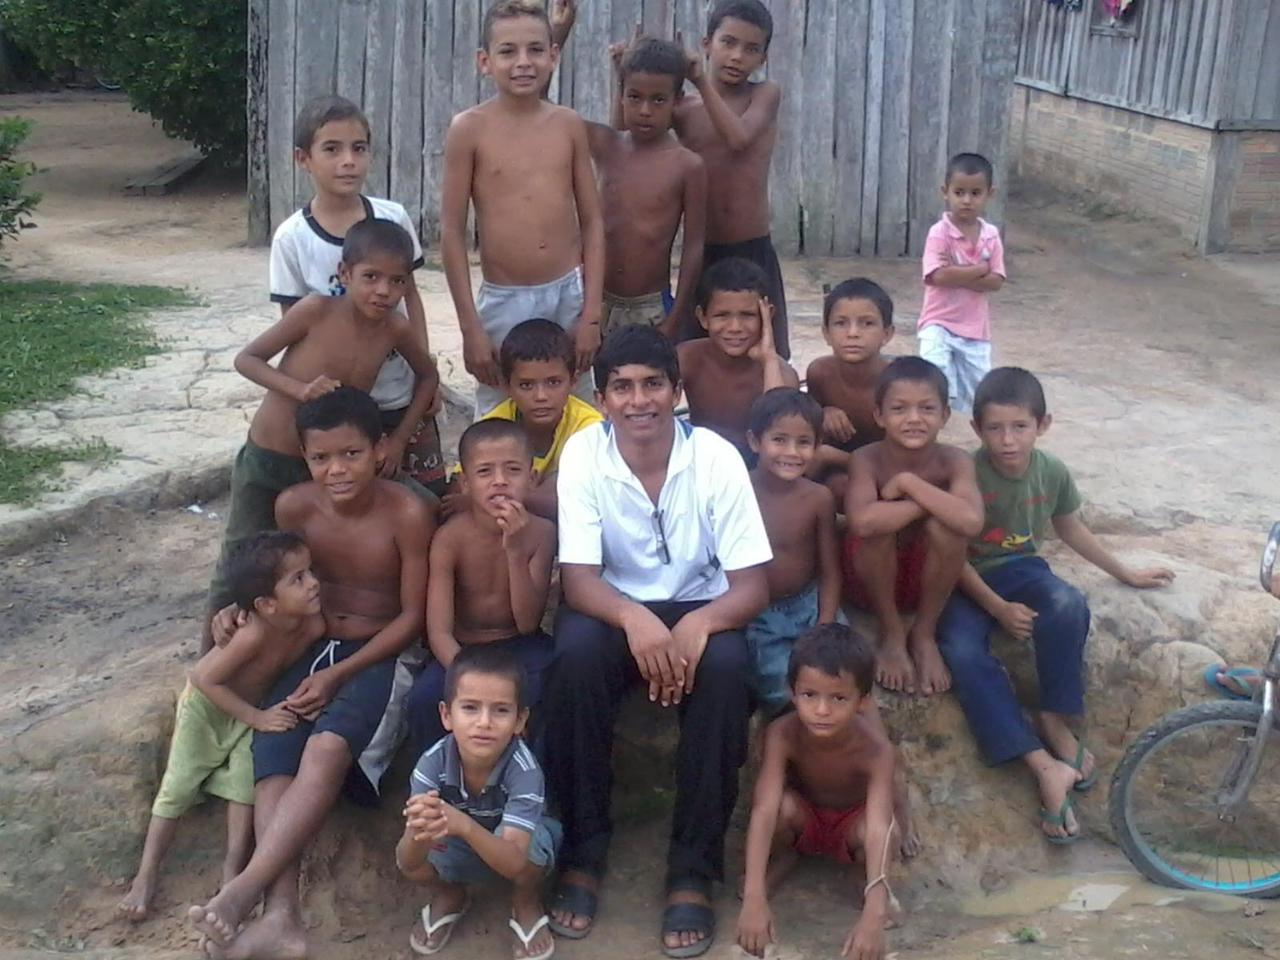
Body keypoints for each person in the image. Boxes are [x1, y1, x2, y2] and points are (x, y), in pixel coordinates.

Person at [543, 325, 771, 958]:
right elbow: (579, 581)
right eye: (622, 387)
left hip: (702, 603)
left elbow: (752, 586)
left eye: (653, 384)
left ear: (677, 391)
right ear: (601, 398)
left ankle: (693, 868)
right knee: (573, 659)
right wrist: (635, 619)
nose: (639, 400)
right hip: (612, 606)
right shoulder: (584, 455)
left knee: (726, 672)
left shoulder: (717, 458)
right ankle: (583, 849)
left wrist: (698, 624)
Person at [189, 387, 434, 958]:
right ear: (303, 456)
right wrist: (238, 611)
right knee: (275, 749)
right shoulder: (294, 508)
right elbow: (275, 581)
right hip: (312, 643)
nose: (336, 470)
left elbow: (413, 616)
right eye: (321, 458)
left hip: (381, 652)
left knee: (325, 748)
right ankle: (283, 916)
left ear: (379, 449)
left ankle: (242, 890)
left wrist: (338, 674)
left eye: (351, 454)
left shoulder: (407, 513)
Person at [937, 368, 1175, 843]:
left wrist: (1124, 572)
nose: (1007, 440)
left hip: (1023, 567)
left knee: (1067, 602)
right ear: (976, 428)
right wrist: (998, 608)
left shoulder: (1051, 471)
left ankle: (1054, 716)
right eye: (995, 428)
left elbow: (1070, 527)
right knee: (960, 650)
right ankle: (1041, 764)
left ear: (1042, 425)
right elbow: (950, 555)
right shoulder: (966, 474)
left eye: (1020, 427)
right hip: (965, 580)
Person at [202, 218, 440, 651]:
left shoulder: (395, 328)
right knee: (240, 564)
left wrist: (400, 438)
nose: (383, 291)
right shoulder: (315, 311)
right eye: (371, 277)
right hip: (270, 457)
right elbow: (248, 359)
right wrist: (299, 390)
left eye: (397, 281)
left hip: (336, 465)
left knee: (423, 509)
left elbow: (428, 376)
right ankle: (206, 671)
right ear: (344, 274)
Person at [118, 532, 324, 923]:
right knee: (179, 786)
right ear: (266, 604)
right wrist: (256, 718)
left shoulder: (311, 625)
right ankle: (146, 874)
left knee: (244, 787)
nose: (313, 583)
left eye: (310, 572)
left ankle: (232, 871)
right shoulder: (252, 632)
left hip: (254, 709)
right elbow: (203, 678)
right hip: (208, 710)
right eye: (298, 579)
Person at [269, 95, 443, 491]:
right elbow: (293, 328)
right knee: (351, 497)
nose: (348, 161)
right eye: (332, 149)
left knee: (425, 495)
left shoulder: (393, 217)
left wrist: (425, 368)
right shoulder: (292, 239)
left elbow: (411, 296)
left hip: (399, 390)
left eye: (359, 148)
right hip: (339, 402)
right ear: (302, 158)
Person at [442, 0, 605, 417]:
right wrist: (471, 329)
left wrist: (590, 315)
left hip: (567, 295)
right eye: (507, 51)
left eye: (535, 49)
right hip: (503, 299)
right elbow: (452, 234)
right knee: (499, 407)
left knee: (574, 405)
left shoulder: (568, 124)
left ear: (553, 55)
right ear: (484, 61)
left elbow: (592, 223)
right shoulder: (469, 130)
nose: (523, 62)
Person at [736, 624, 901, 960]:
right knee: (780, 808)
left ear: (862, 701)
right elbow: (764, 809)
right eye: (810, 695)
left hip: (852, 825)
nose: (822, 710)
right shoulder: (782, 734)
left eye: (838, 698)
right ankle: (785, 858)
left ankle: (864, 880)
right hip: (805, 818)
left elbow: (880, 826)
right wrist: (754, 898)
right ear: (792, 692)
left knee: (889, 832)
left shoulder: (876, 750)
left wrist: (874, 911)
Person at [398, 645, 562, 960]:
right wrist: (419, 832)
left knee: (534, 847)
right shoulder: (430, 765)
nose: (484, 722)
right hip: (463, 847)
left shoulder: (524, 771)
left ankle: (525, 900)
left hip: (516, 847)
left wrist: (463, 826)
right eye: (470, 708)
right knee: (417, 851)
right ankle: (450, 894)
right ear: (447, 715)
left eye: (500, 710)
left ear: (520, 720)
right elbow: (406, 861)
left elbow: (515, 861)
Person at [406, 419, 557, 760]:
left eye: (513, 470)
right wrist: (468, 673)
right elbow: (439, 631)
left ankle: (531, 787)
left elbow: (527, 624)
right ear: (465, 483)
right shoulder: (450, 538)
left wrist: (515, 550)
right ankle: (437, 788)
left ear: (532, 478)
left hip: (521, 645)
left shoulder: (542, 533)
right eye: (485, 471)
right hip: (462, 650)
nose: (499, 481)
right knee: (424, 699)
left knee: (544, 692)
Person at [844, 357, 984, 697]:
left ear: (945, 415)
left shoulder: (955, 460)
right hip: (871, 582)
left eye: (927, 408)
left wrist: (910, 484)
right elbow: (862, 522)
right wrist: (928, 503)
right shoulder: (867, 458)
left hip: (927, 581)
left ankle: (924, 633)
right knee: (880, 530)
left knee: (949, 530)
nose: (914, 419)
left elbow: (971, 521)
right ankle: (892, 632)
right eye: (899, 409)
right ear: (879, 415)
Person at [673, 0, 787, 357]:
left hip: (752, 248)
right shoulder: (683, 109)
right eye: (728, 42)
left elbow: (738, 139)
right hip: (702, 251)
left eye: (751, 49)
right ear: (707, 44)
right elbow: (623, 135)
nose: (737, 56)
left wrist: (700, 80)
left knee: (764, 353)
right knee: (694, 351)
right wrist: (621, 79)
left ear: (763, 58)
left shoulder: (764, 94)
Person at [585, 35, 706, 339]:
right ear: (621, 94)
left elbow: (693, 248)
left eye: (658, 100)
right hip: (596, 301)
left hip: (652, 307)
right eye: (635, 97)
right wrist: (560, 32)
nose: (645, 110)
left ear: (678, 100)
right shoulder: (607, 145)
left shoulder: (687, 166)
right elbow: (543, 111)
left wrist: (676, 317)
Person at [442, 319, 603, 521]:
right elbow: (455, 494)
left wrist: (486, 499)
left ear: (573, 381)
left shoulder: (590, 428)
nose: (541, 396)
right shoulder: (495, 425)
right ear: (506, 386)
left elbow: (585, 501)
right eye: (526, 385)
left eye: (553, 382)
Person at [745, 388, 841, 718]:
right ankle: (792, 734)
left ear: (817, 446)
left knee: (843, 668)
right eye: (779, 440)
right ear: (755, 441)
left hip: (808, 603)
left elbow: (829, 570)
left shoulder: (819, 498)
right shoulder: (738, 490)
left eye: (803, 442)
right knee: (779, 680)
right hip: (758, 612)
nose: (791, 452)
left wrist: (826, 622)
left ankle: (870, 739)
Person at [677, 257, 798, 462]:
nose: (735, 327)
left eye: (747, 315)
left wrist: (769, 359)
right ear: (703, 317)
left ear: (767, 315)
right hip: (700, 458)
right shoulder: (688, 357)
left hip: (757, 465)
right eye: (722, 315)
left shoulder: (780, 373)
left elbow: (782, 431)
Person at [916, 152, 1006, 415]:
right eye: (959, 192)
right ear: (945, 192)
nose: (966, 200)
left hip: (975, 329)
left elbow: (996, 281)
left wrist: (956, 272)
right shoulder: (939, 233)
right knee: (934, 380)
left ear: (990, 194)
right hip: (937, 322)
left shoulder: (991, 235)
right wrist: (978, 270)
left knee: (978, 393)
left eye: (975, 193)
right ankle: (933, 429)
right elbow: (937, 277)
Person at [805, 278, 896, 505]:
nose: (853, 333)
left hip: (891, 475)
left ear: (887, 333)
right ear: (826, 333)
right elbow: (807, 429)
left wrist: (830, 455)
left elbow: (908, 455)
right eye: (841, 323)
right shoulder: (820, 373)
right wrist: (823, 412)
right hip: (838, 474)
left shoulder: (898, 383)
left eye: (867, 323)